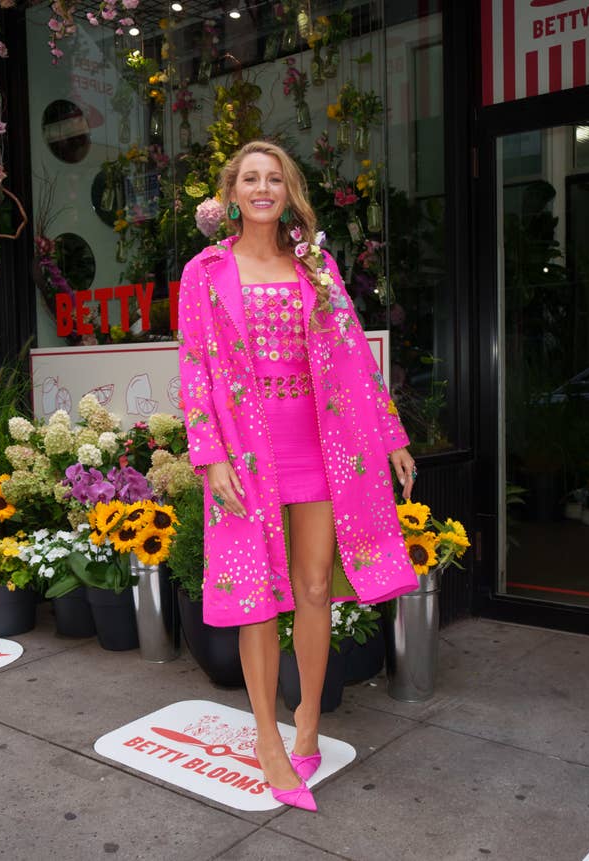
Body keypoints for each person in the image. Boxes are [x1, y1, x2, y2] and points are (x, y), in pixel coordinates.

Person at [178, 140, 418, 812]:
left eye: (274, 179)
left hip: (320, 442)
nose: (262, 188)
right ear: (231, 192)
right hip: (247, 450)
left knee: (315, 584)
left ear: (288, 192)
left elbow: (355, 357)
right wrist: (210, 454)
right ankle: (266, 738)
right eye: (250, 178)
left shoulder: (316, 264)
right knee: (257, 593)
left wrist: (391, 434)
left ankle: (308, 719)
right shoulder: (204, 271)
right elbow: (195, 366)